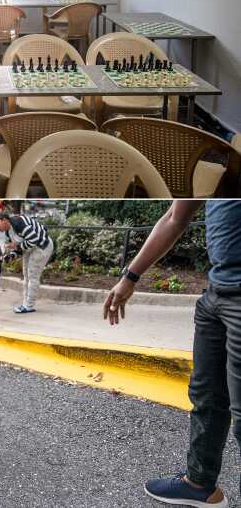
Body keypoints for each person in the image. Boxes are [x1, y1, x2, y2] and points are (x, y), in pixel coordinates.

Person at [104, 200, 232, 507]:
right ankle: (200, 484)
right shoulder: (209, 155)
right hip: (217, 293)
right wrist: (130, 277)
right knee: (208, 395)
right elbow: (176, 216)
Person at [0, 212, 53, 314]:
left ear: (4, 220)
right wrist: (11, 255)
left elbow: (34, 239)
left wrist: (16, 247)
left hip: (42, 246)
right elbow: (18, 247)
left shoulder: (18, 223)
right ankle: (26, 303)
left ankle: (29, 305)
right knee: (26, 275)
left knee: (32, 275)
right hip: (30, 248)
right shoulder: (9, 232)